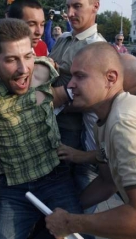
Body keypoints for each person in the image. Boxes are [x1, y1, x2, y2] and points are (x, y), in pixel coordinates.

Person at [0, 18, 83, 239]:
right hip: (14, 188)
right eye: (11, 60)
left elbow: (82, 77)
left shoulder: (43, 69)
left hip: (56, 177)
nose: (23, 69)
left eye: (28, 56)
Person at [45, 41, 136, 239]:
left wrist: (69, 222)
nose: (70, 84)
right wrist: (66, 210)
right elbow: (107, 182)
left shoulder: (125, 123)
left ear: (110, 78)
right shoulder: (106, 119)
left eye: (80, 76)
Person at [48, 0, 105, 224]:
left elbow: (93, 99)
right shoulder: (63, 39)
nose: (70, 13)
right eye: (68, 6)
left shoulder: (96, 48)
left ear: (95, 6)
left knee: (77, 210)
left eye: (77, 6)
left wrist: (50, 99)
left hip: (80, 141)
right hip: (56, 131)